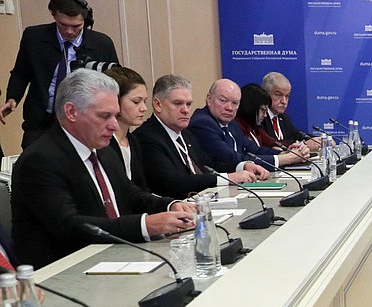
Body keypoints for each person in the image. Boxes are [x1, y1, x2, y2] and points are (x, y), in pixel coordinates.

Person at [10, 68, 195, 268]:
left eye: (115, 116)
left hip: (115, 256)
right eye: (104, 116)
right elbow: (70, 226)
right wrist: (145, 225)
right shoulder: (41, 159)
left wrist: (170, 206)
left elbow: (129, 193)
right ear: (71, 112)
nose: (114, 125)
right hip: (66, 272)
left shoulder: (102, 150)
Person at [2, 0, 119, 150]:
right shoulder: (34, 37)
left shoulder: (102, 43)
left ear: (86, 20)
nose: (70, 31)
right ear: (53, 15)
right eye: (63, 25)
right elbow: (21, 72)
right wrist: (12, 97)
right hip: (41, 120)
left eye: (76, 26)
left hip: (83, 122)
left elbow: (114, 82)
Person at [135, 74, 266, 199]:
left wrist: (241, 167)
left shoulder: (185, 134)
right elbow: (173, 182)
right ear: (158, 105)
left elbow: (207, 166)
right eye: (178, 104)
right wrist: (229, 177)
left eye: (188, 104)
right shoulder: (147, 137)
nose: (186, 110)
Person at [188, 79, 306, 172]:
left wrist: (285, 153)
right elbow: (233, 158)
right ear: (209, 99)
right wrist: (282, 159)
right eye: (223, 101)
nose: (229, 108)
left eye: (235, 103)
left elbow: (252, 149)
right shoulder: (202, 123)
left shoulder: (231, 122)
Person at [102, 66, 149, 189]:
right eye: (136, 101)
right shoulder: (103, 143)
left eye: (145, 101)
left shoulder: (133, 141)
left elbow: (141, 187)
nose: (144, 108)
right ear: (115, 101)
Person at [260, 71, 319, 149]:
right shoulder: (259, 118)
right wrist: (304, 144)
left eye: (287, 96)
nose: (284, 101)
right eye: (278, 95)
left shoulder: (284, 118)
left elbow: (297, 135)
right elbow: (270, 144)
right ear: (265, 94)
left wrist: (319, 140)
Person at [236, 83, 284, 150]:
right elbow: (253, 151)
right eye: (263, 110)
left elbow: (274, 142)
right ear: (251, 107)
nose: (265, 115)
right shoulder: (237, 127)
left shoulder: (255, 128)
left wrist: (292, 146)